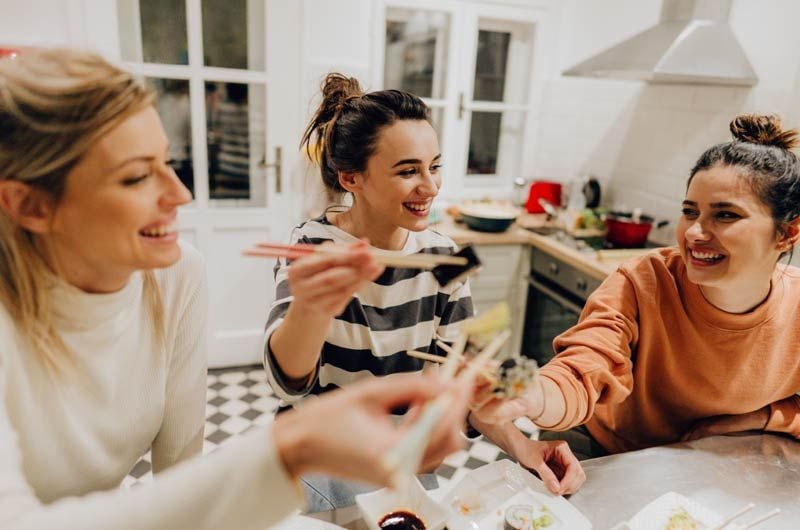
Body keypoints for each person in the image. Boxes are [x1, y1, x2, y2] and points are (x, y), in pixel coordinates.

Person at [0, 48, 474, 529]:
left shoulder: (177, 274)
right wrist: (292, 450)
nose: (180, 195)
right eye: (137, 176)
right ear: (31, 205)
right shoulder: (311, 243)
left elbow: (180, 475)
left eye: (167, 162)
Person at [263, 73, 585, 509]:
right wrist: (314, 307)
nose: (431, 187)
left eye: (434, 166)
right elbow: (289, 385)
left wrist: (523, 445)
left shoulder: (448, 257)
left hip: (405, 462)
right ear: (351, 178)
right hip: (322, 458)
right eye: (408, 171)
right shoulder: (311, 247)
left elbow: (465, 376)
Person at [476, 113, 800, 460]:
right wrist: (536, 394)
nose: (693, 233)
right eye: (690, 212)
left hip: (709, 460)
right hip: (607, 447)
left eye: (725, 215)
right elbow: (586, 364)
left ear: (786, 233)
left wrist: (760, 418)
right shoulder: (643, 280)